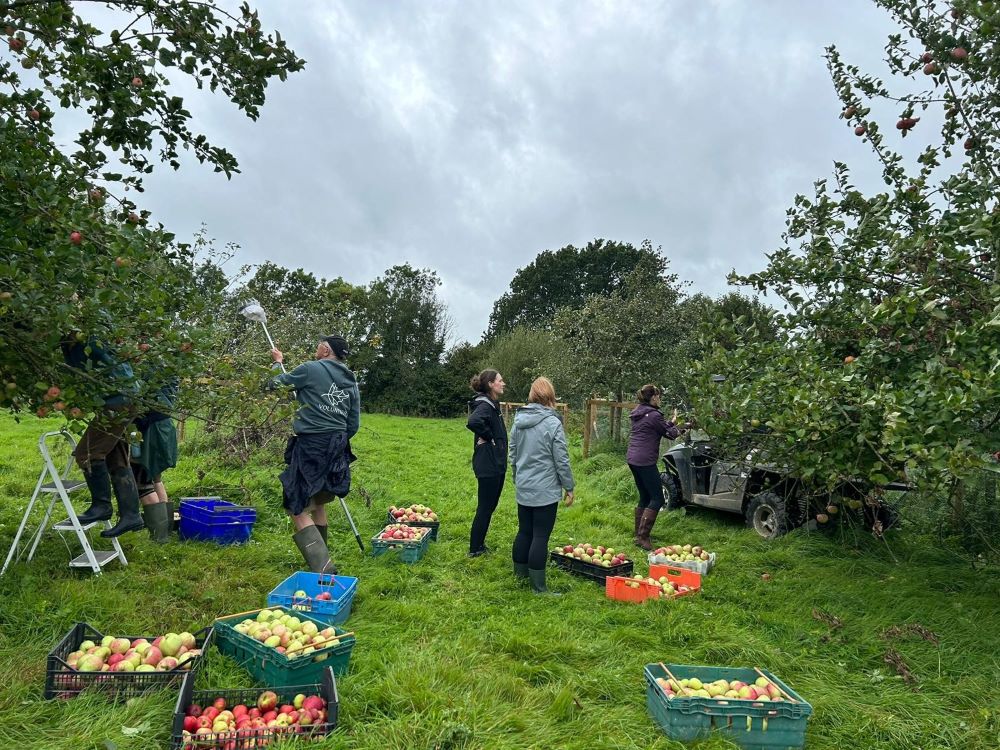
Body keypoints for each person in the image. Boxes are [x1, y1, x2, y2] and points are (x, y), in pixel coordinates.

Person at [270, 334, 360, 574]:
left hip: (312, 443)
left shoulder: (310, 369)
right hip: (338, 444)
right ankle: (322, 561)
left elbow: (276, 384)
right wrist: (336, 439)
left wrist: (277, 363)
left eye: (320, 345)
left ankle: (324, 571)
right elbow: (353, 422)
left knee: (296, 504)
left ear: (326, 350)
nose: (317, 348)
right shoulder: (351, 381)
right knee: (319, 502)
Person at [61, 332, 145, 537]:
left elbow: (96, 359)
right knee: (115, 458)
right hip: (120, 398)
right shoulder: (79, 336)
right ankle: (131, 515)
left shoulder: (88, 334)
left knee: (87, 453)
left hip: (119, 400)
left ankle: (101, 506)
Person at [509, 377, 574, 594]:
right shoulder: (553, 422)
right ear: (550, 397)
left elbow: (513, 452)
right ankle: (538, 587)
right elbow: (561, 459)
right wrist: (569, 486)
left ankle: (520, 575)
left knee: (524, 531)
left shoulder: (518, 420)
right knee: (540, 536)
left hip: (524, 486)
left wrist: (517, 477)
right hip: (545, 489)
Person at [626, 384, 681, 550]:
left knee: (644, 496)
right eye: (659, 396)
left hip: (633, 458)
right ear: (653, 397)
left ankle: (638, 534)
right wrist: (685, 427)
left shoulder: (640, 411)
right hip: (645, 461)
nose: (660, 399)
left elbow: (660, 428)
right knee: (657, 498)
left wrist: (671, 422)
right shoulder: (654, 414)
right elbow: (670, 434)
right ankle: (643, 537)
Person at [132, 376, 179, 544]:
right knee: (156, 478)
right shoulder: (168, 365)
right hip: (164, 426)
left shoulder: (147, 369)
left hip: (153, 429)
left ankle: (159, 536)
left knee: (143, 481)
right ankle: (165, 530)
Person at [465, 369, 507, 557]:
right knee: (485, 507)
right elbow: (474, 421)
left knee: (488, 507)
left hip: (494, 463)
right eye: (500, 380)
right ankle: (475, 549)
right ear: (491, 384)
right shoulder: (484, 405)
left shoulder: (491, 404)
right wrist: (489, 437)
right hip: (488, 464)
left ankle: (479, 545)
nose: (503, 383)